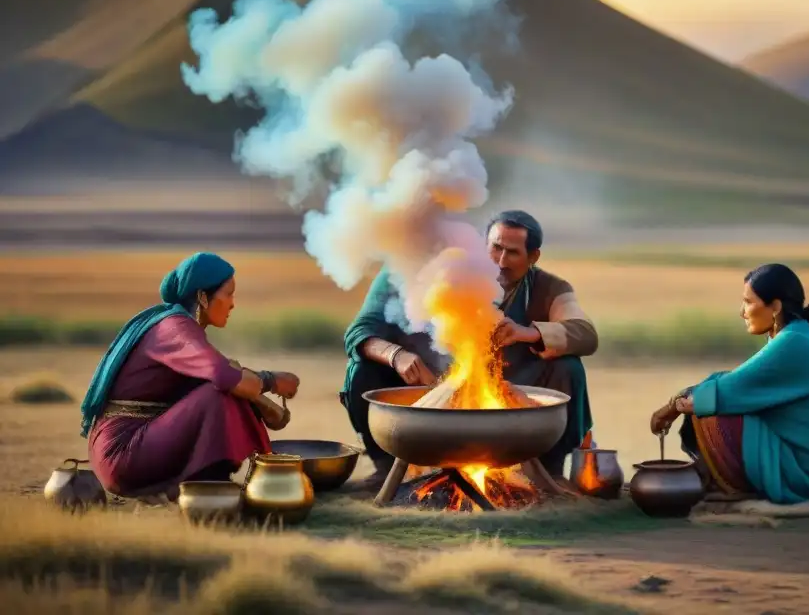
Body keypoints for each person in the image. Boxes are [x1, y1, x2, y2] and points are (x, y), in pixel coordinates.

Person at [342, 210, 598, 489]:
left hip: (511, 394)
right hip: (430, 387)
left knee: (568, 366)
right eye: (495, 248)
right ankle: (386, 468)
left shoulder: (549, 287)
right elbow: (359, 332)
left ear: (533, 256)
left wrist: (530, 332)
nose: (501, 261)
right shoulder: (409, 268)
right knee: (361, 367)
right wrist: (396, 355)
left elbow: (585, 333)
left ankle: (550, 471)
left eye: (512, 253)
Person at [650, 263, 809, 505]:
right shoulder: (798, 336)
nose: (742, 311)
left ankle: (725, 485)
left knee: (711, 415)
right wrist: (679, 401)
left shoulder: (794, 343)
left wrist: (671, 409)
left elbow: (726, 391)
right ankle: (719, 480)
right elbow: (737, 384)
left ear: (775, 307)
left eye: (748, 302)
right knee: (714, 401)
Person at [83, 252, 301, 502]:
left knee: (227, 384)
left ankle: (210, 484)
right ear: (202, 297)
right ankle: (229, 482)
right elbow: (225, 377)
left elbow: (227, 374)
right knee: (219, 392)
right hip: (123, 452)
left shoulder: (179, 327)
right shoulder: (174, 327)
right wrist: (271, 381)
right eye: (228, 294)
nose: (232, 303)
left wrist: (259, 392)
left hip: (140, 444)